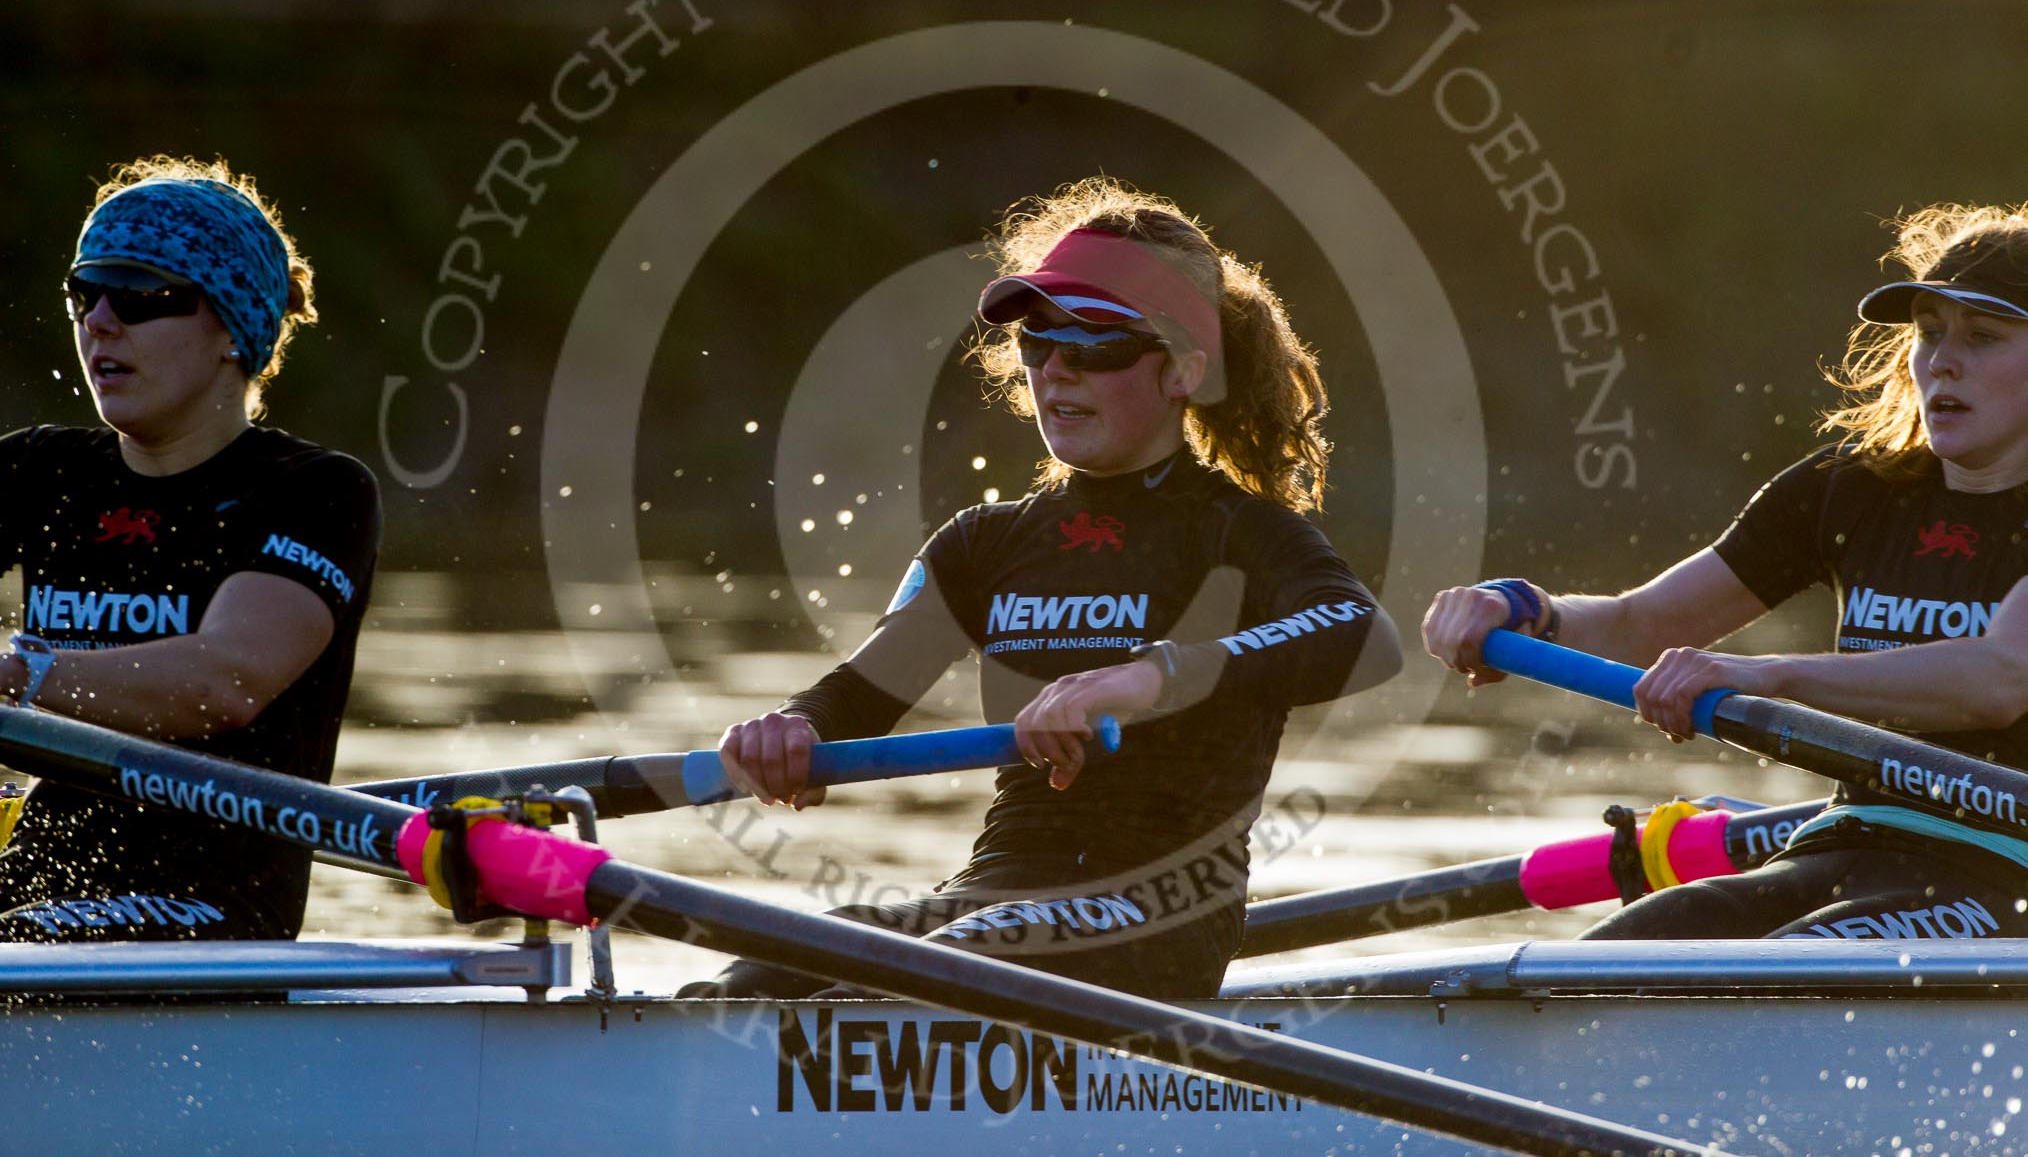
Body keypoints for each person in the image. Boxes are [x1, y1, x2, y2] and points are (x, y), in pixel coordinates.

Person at [688, 178, 1400, 998]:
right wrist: (792, 731)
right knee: (739, 992)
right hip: (989, 900)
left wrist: (1151, 676)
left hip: (1159, 916)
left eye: (1094, 341)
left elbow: (1362, 636)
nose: (1057, 370)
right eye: (1038, 340)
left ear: (1183, 372)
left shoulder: (1240, 533)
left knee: (879, 999)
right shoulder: (984, 544)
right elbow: (857, 698)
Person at [1424, 203, 2028, 942]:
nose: (1941, 361)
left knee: (1784, 966)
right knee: (1625, 953)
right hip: (1849, 842)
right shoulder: (1852, 489)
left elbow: (1999, 680)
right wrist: (1524, 610)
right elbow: (1641, 624)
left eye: (1984, 338)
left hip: (2009, 870)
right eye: (1930, 332)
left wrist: (1767, 676)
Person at [0, 156, 381, 942]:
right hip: (34, 885)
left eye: (140, 296)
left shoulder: (314, 492)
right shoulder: (39, 471)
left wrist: (19, 673)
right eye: (85, 293)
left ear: (229, 333)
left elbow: (225, 681)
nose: (99, 321)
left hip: (212, 910)